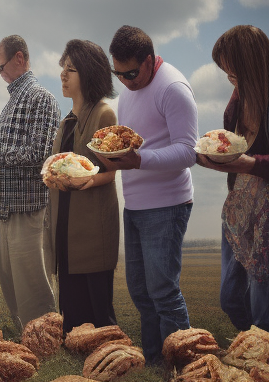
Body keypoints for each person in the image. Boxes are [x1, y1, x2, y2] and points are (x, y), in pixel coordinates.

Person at [98, 25, 196, 361]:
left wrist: (139, 161)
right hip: (136, 206)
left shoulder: (173, 87)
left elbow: (188, 152)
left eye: (131, 73)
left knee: (164, 292)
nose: (125, 80)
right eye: (118, 74)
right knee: (140, 292)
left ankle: (184, 365)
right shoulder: (128, 88)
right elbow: (130, 142)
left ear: (151, 60)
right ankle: (155, 362)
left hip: (167, 205)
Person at [196, 25, 269, 349]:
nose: (229, 79)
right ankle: (259, 349)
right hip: (239, 210)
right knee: (231, 300)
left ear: (249, 65)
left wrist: (252, 165)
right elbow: (230, 144)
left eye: (233, 71)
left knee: (265, 313)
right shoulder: (240, 98)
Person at [0, 35, 60, 329]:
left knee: (33, 286)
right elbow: (13, 152)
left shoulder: (40, 98)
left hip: (29, 207)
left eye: (1, 66)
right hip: (7, 208)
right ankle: (27, 338)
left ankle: (46, 340)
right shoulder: (14, 101)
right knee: (12, 283)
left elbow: (40, 154)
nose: (0, 73)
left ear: (20, 58)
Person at [45, 39, 121, 331]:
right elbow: (55, 167)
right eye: (63, 69)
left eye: (71, 69)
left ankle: (111, 363)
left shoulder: (104, 114)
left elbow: (110, 172)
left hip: (92, 232)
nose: (63, 75)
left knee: (100, 315)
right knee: (72, 317)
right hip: (64, 227)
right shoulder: (66, 123)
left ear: (88, 74)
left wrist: (87, 180)